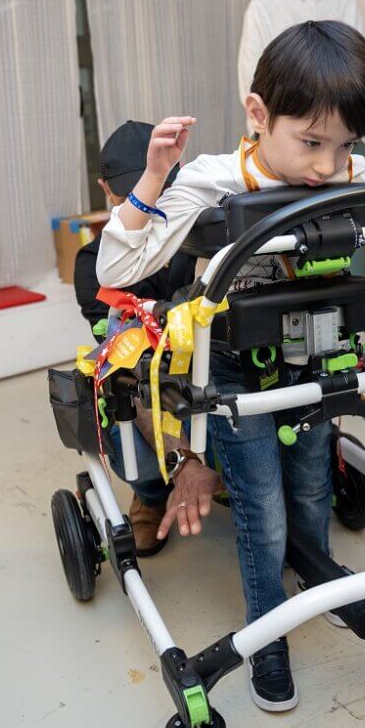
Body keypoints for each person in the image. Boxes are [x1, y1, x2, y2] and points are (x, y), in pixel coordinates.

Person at [98, 20, 365, 712]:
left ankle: (317, 580)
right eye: (311, 142)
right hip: (237, 375)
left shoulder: (343, 171)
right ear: (258, 114)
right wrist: (154, 179)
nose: (328, 167)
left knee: (310, 488)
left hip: (317, 359)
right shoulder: (213, 179)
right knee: (263, 512)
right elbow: (118, 268)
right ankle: (266, 632)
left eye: (346, 146)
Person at [73, 120, 220, 556]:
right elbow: (128, 363)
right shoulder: (94, 265)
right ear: (106, 189)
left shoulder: (208, 239)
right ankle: (152, 495)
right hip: (149, 382)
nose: (150, 202)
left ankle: (239, 472)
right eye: (131, 192)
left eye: (159, 186)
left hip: (214, 371)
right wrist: (182, 460)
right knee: (123, 401)